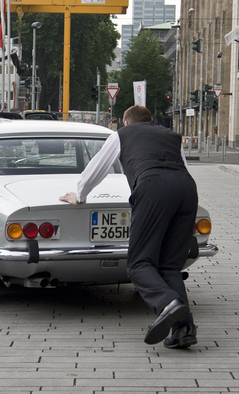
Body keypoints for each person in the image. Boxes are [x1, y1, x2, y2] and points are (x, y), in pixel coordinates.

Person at [59, 105, 199, 349]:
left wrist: (80, 194)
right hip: (187, 189)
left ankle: (167, 303)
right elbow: (182, 167)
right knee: (169, 266)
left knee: (138, 264)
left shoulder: (121, 135)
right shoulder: (171, 136)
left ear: (126, 123)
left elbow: (98, 166)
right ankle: (184, 329)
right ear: (151, 120)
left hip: (153, 187)